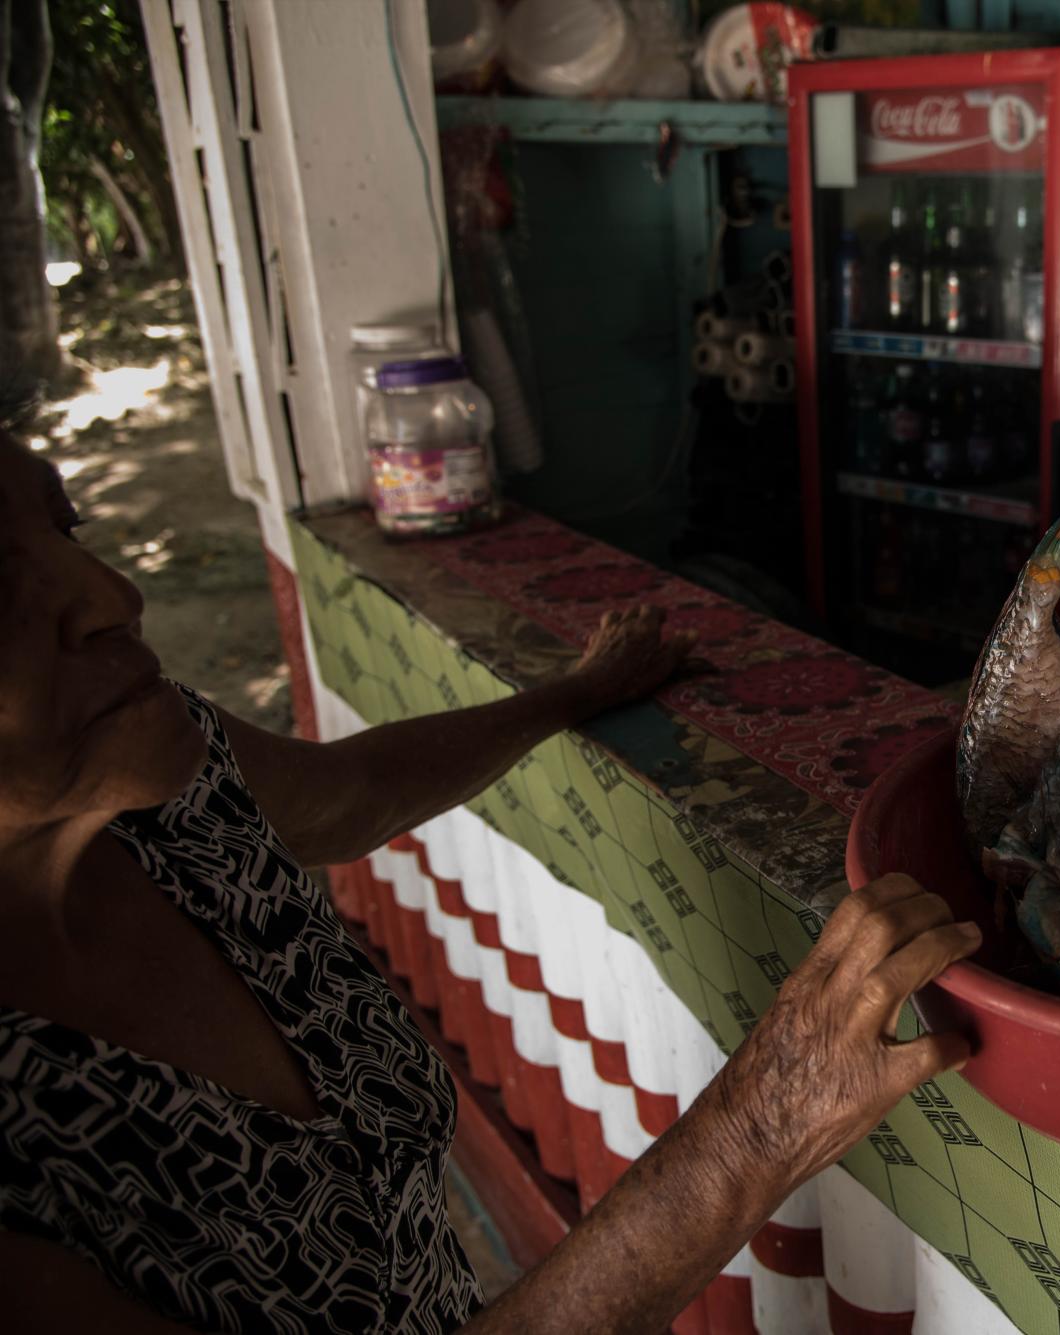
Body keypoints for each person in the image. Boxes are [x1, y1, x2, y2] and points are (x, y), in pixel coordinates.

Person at [0, 421, 980, 1333]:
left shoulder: (168, 790)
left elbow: (355, 791)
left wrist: (575, 694)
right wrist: (764, 1119)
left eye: (66, 526)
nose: (111, 597)